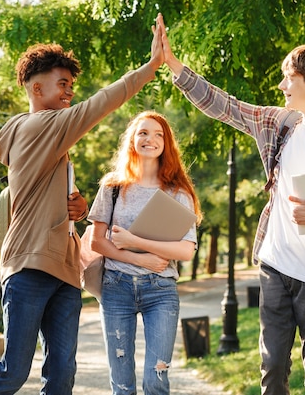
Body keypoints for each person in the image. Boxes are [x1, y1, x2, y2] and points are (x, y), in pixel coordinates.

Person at [158, 15, 305, 395]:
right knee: (272, 369)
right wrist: (174, 65)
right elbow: (224, 106)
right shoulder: (280, 125)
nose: (281, 86)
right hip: (275, 266)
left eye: (288, 79)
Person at [0, 15, 165, 395]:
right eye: (62, 84)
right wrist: (152, 66)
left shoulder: (52, 142)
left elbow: (54, 200)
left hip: (63, 268)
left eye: (71, 86)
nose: (69, 93)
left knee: (62, 374)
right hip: (29, 265)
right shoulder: (38, 127)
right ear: (34, 87)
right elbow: (99, 105)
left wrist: (73, 207)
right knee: (13, 371)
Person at [87, 110, 201, 395]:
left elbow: (186, 250)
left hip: (160, 290)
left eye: (158, 134)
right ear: (132, 140)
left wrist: (134, 240)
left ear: (166, 144)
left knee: (156, 381)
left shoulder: (178, 193)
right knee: (122, 385)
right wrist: (138, 258)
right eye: (143, 133)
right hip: (116, 288)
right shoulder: (113, 186)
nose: (150, 139)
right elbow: (98, 242)